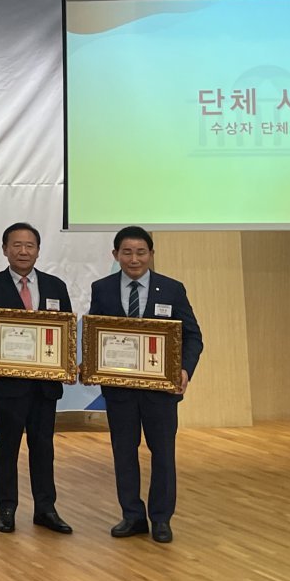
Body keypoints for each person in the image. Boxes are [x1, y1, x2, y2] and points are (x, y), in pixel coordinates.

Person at [88, 226, 203, 544]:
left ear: (151, 254)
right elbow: (95, 333)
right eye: (127, 252)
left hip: (160, 391)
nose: (134, 259)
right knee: (124, 452)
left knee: (163, 453)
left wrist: (184, 369)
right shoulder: (102, 288)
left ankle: (161, 518)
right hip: (120, 390)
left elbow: (192, 336)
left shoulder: (172, 289)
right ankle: (132, 516)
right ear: (115, 255)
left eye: (141, 252)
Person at [0, 222, 74, 535]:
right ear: (5, 249)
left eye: (29, 245)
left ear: (38, 250)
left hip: (46, 385)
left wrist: (68, 364)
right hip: (8, 385)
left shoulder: (56, 286)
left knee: (43, 447)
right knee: (6, 446)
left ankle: (46, 508)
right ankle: (6, 508)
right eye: (16, 245)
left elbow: (66, 331)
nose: (23, 251)